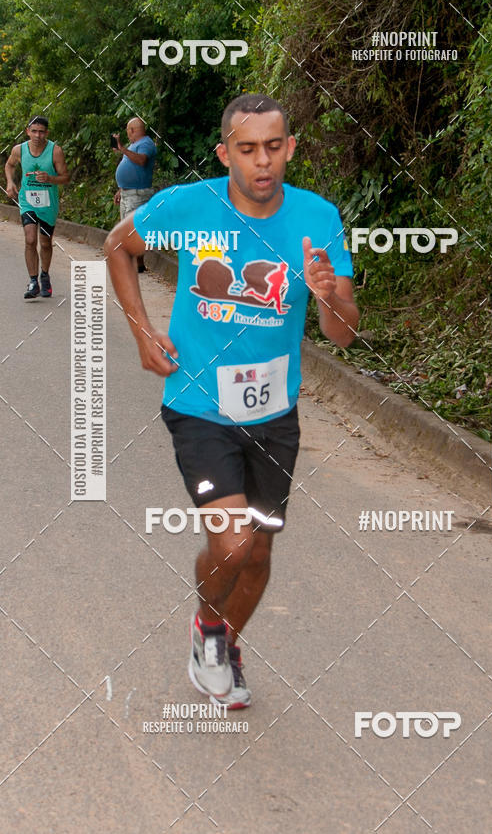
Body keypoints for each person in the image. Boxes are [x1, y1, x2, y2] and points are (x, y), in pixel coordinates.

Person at [105, 94, 359, 708]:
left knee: (261, 549)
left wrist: (328, 296)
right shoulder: (190, 206)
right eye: (247, 150)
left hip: (276, 414)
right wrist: (142, 329)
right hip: (198, 405)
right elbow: (118, 245)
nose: (262, 161)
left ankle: (218, 641)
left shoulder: (317, 218)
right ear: (226, 154)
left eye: (274, 147)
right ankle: (210, 628)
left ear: (290, 148)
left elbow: (343, 332)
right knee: (234, 543)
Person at [5, 115, 70, 299]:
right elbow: (9, 166)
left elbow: (65, 177)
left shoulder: (55, 151)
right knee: (30, 239)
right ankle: (33, 281)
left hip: (48, 203)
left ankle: (44, 275)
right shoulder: (19, 150)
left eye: (41, 132)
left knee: (45, 243)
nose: (37, 135)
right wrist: (10, 182)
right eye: (34, 131)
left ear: (46, 133)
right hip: (27, 201)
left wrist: (50, 178)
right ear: (27, 132)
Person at [113, 117, 156, 273]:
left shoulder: (145, 143)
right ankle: (136, 263)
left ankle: (134, 263)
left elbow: (142, 161)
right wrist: (120, 189)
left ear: (132, 130)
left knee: (133, 228)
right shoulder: (134, 145)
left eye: (128, 131)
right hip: (128, 192)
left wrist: (122, 149)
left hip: (138, 194)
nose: (127, 135)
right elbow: (130, 167)